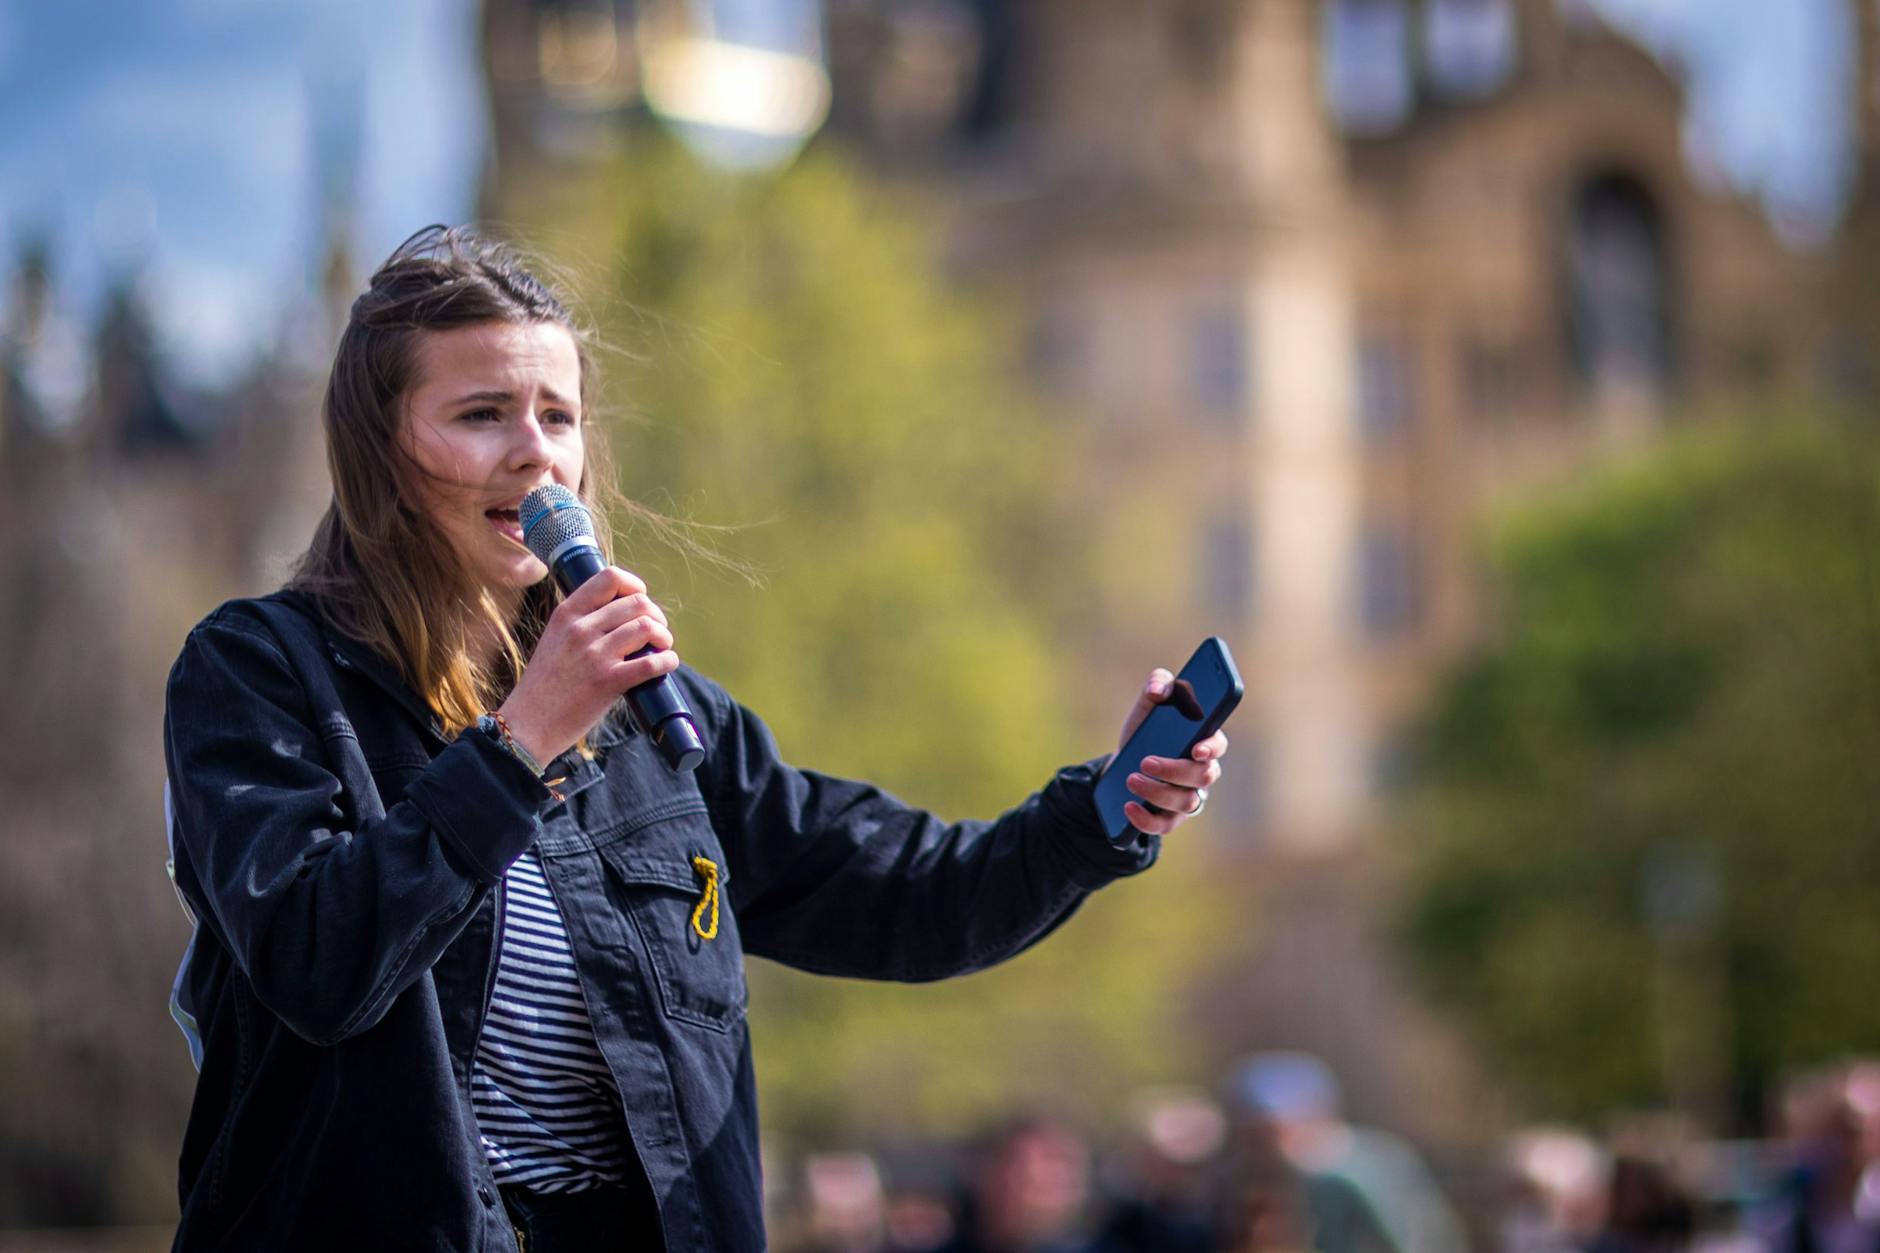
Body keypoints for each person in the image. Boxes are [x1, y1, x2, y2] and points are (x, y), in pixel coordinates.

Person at [160, 225, 1229, 1252]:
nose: (535, 457)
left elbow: (911, 895)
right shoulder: (263, 672)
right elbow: (315, 959)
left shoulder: (655, 720)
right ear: (381, 450)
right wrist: (521, 736)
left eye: (558, 418)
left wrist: (1101, 812)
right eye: (483, 413)